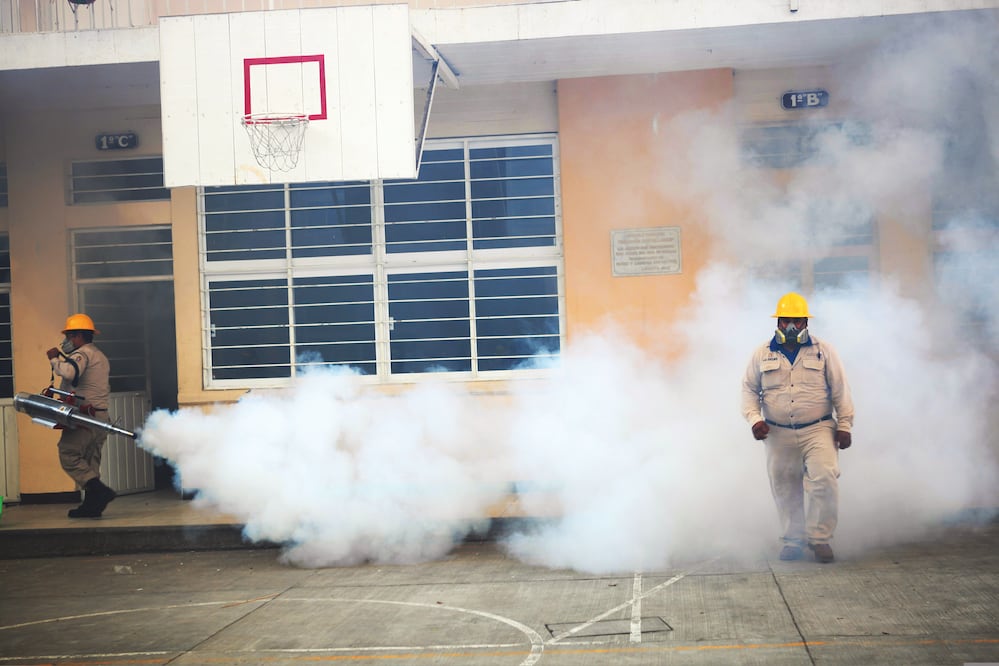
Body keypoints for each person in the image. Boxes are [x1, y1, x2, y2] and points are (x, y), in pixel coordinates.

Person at [741, 292, 854, 563]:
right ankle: (793, 540)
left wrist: (845, 425)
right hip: (777, 432)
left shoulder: (823, 351)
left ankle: (820, 539)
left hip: (819, 429)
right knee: (784, 484)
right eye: (786, 321)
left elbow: (841, 390)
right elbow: (748, 390)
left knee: (824, 478)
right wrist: (755, 419)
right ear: (778, 323)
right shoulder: (761, 353)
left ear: (806, 322)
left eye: (797, 321)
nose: (791, 327)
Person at [45, 313, 117, 518]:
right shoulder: (99, 355)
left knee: (68, 453)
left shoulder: (82, 354)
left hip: (85, 418)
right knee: (90, 460)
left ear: (78, 336)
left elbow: (69, 373)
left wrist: (54, 359)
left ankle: (99, 492)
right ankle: (92, 506)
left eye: (69, 336)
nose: (67, 341)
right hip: (100, 417)